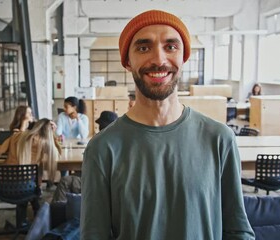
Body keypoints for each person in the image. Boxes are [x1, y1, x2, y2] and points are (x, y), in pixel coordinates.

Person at [81, 10, 254, 240]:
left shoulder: (219, 139)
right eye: (144, 48)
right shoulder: (102, 148)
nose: (159, 60)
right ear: (127, 62)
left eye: (170, 47)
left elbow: (237, 231)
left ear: (183, 57)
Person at [0, 118, 61, 184]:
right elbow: (58, 153)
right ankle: (34, 198)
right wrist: (53, 135)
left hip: (5, 183)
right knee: (38, 170)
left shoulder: (16, 135)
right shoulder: (44, 143)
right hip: (27, 186)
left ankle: (26, 202)